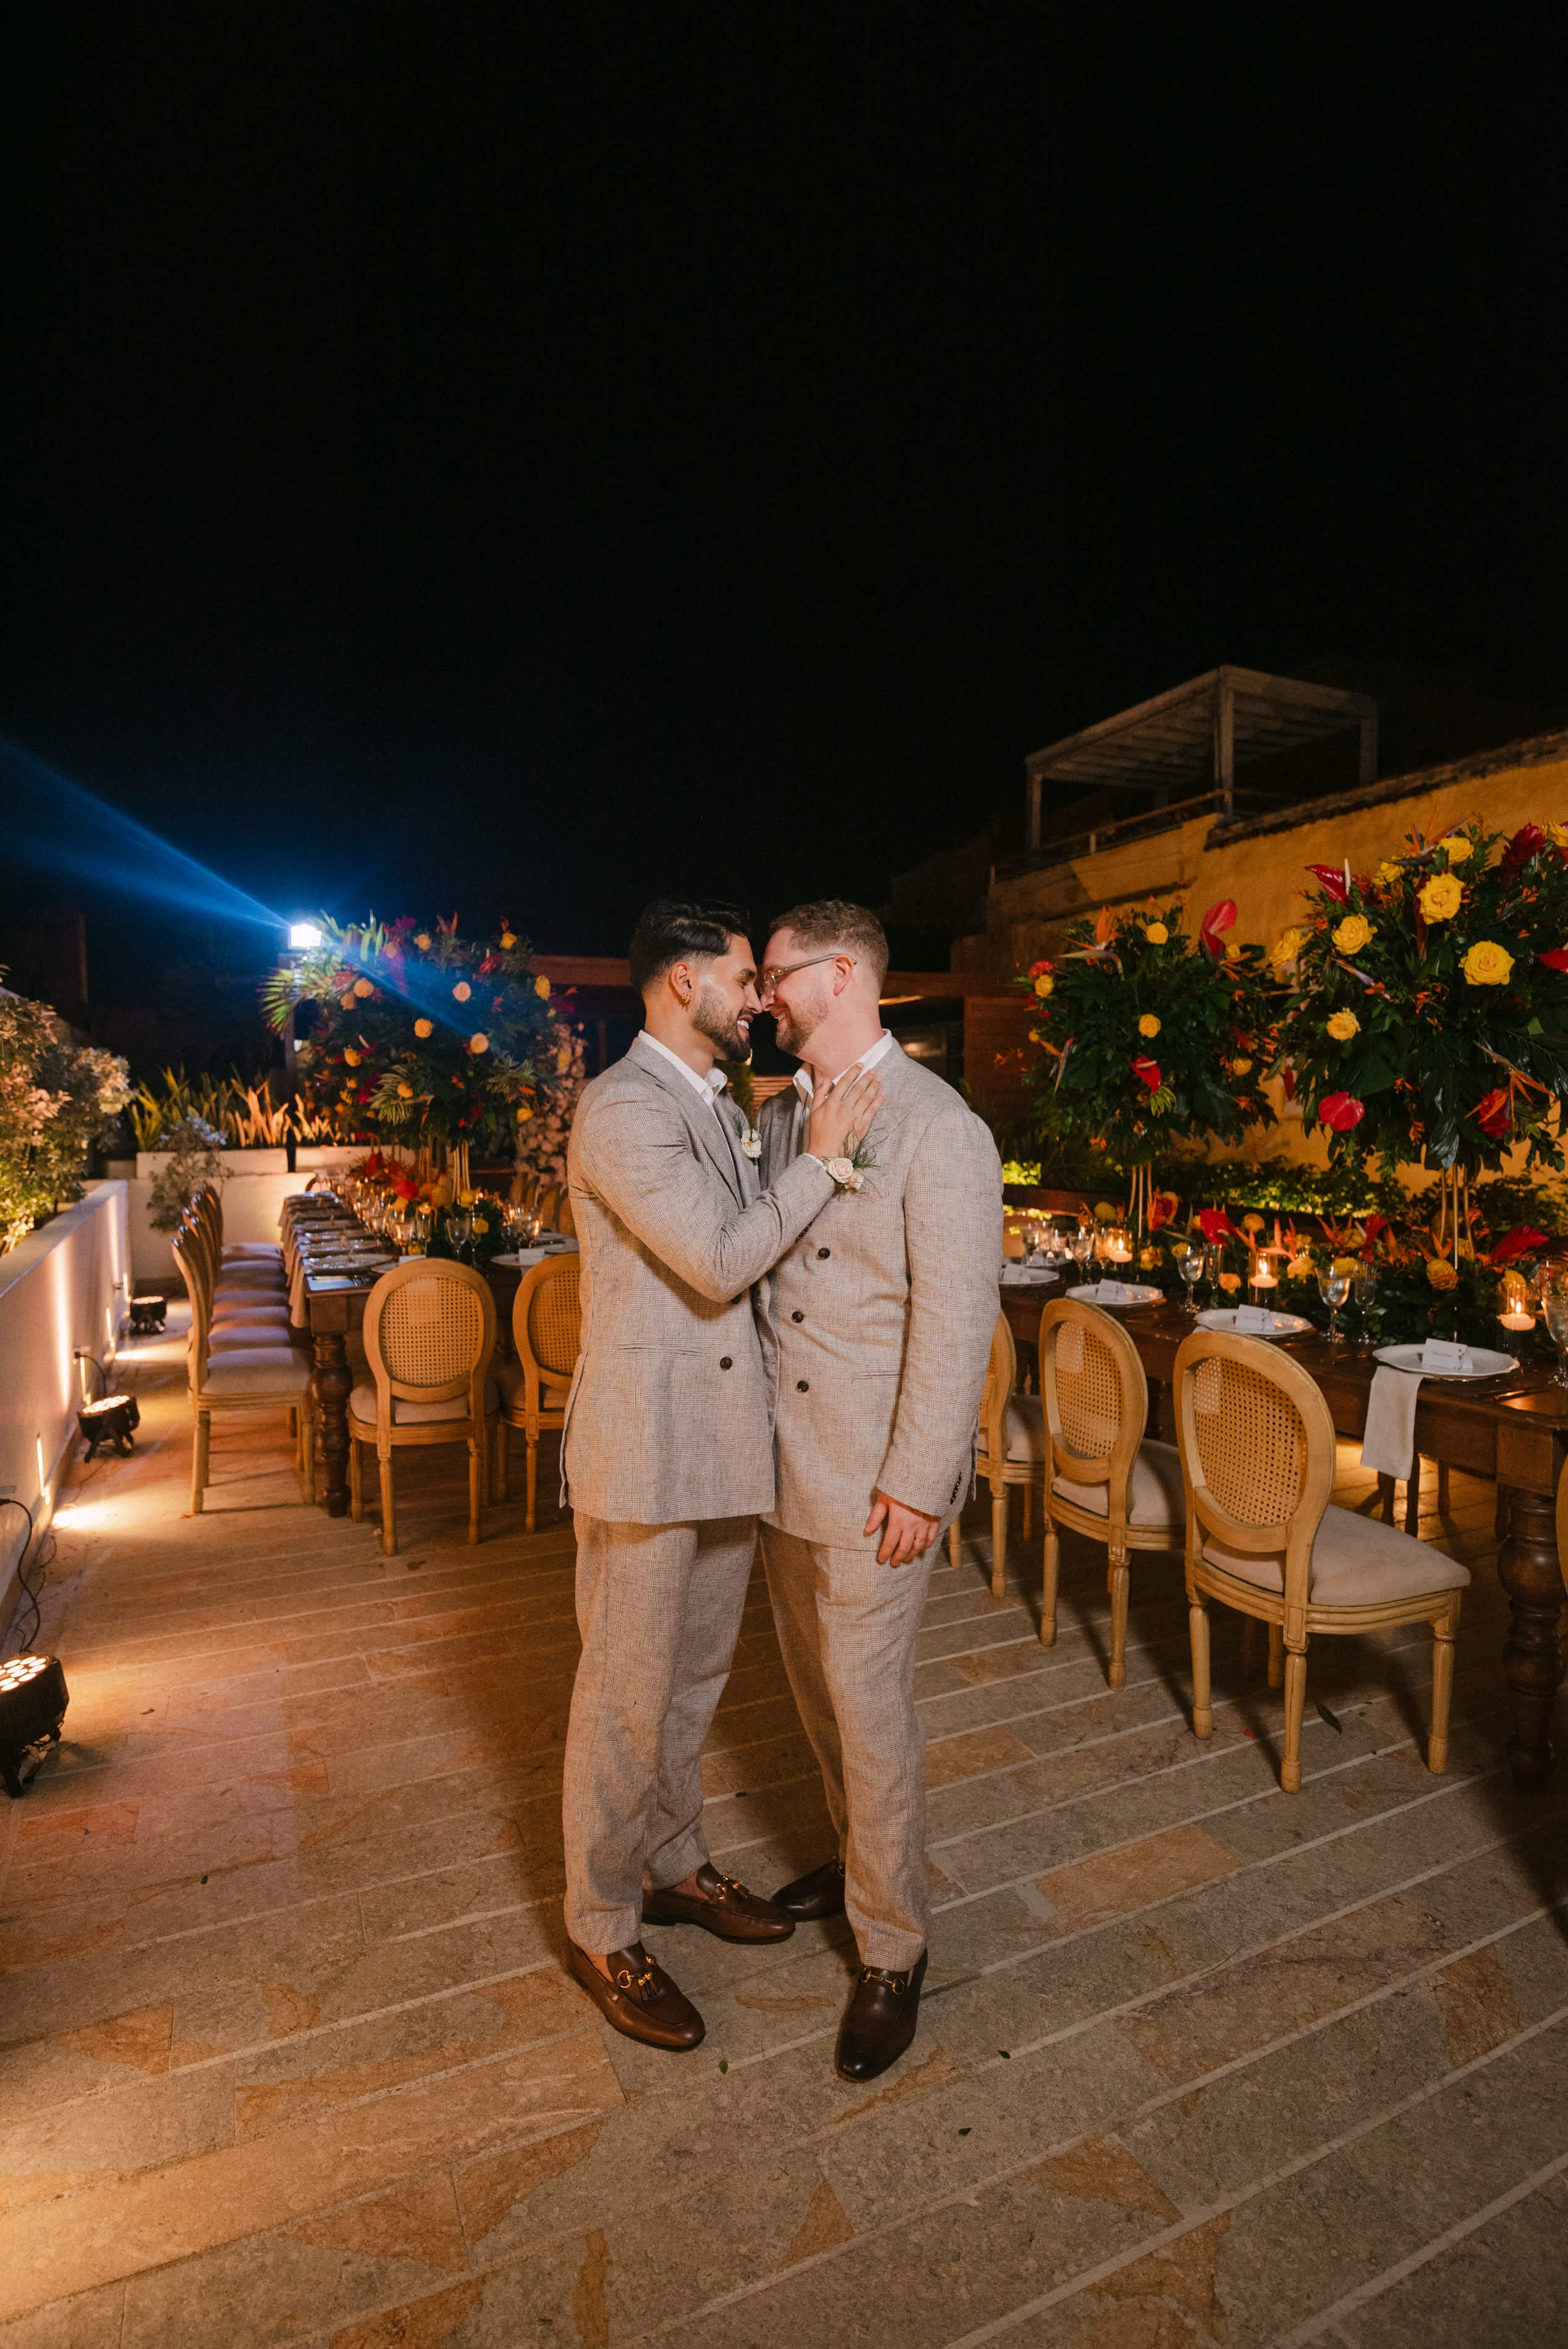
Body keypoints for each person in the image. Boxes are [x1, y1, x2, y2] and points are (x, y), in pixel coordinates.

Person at [558, 896, 884, 2053]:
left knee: (692, 1685)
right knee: (624, 1695)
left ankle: (673, 1864)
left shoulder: (726, 1102)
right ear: (679, 983)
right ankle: (601, 1922)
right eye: (742, 976)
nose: (757, 996)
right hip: (647, 1448)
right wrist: (829, 1163)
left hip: (726, 1441)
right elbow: (717, 1261)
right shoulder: (621, 1109)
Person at [756, 899, 1001, 2081]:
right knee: (813, 1698)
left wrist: (919, 1481)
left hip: (870, 1482)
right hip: (777, 1471)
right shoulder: (776, 1118)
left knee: (871, 1714)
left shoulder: (941, 1128)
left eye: (774, 975)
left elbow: (958, 1323)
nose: (760, 996)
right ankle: (857, 1862)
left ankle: (893, 1949)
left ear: (840, 972)